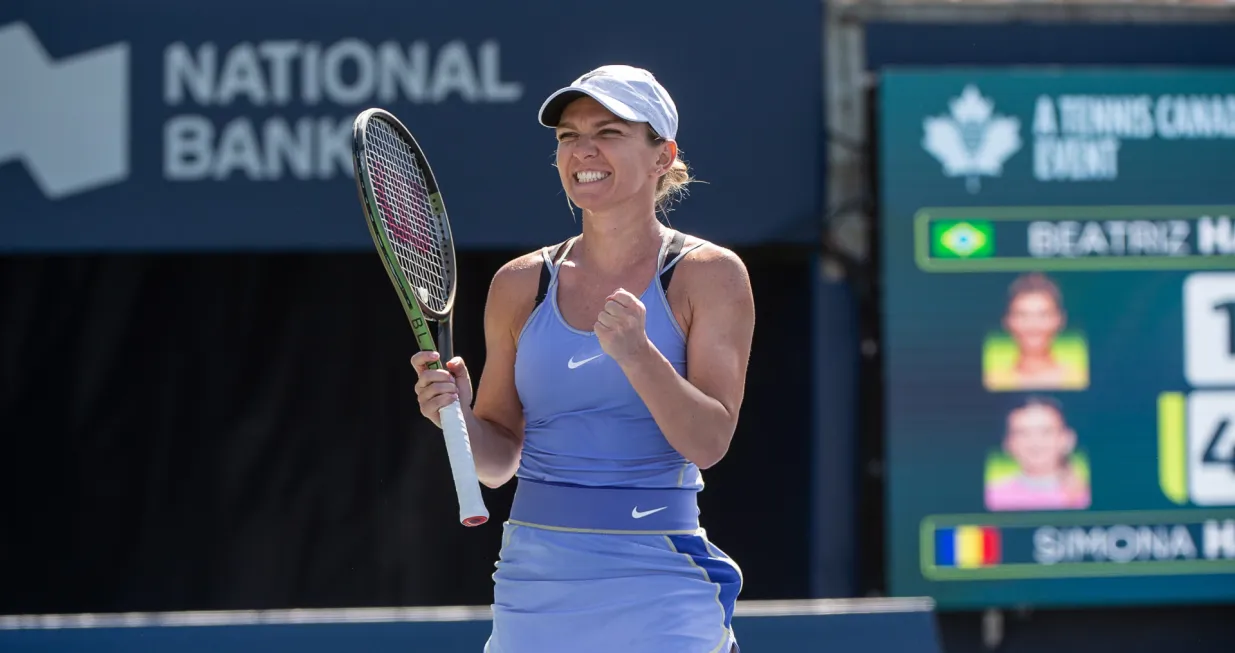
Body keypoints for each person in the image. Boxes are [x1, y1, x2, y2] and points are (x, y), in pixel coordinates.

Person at [410, 64, 755, 653]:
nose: (583, 150)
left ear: (662, 156)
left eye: (609, 131)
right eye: (568, 136)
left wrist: (638, 355)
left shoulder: (709, 275)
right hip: (532, 585)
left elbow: (709, 443)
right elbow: (497, 463)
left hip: (660, 585)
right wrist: (458, 418)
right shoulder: (518, 284)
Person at [984, 272, 1088, 391]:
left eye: (1043, 315)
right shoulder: (993, 380)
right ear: (1008, 321)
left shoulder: (1077, 378)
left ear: (1059, 320)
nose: (1033, 326)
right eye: (1022, 315)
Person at [985, 396, 1091, 512]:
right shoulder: (993, 496)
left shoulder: (1085, 495)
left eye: (1046, 432)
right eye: (1023, 433)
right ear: (1008, 443)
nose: (1035, 443)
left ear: (1067, 439)